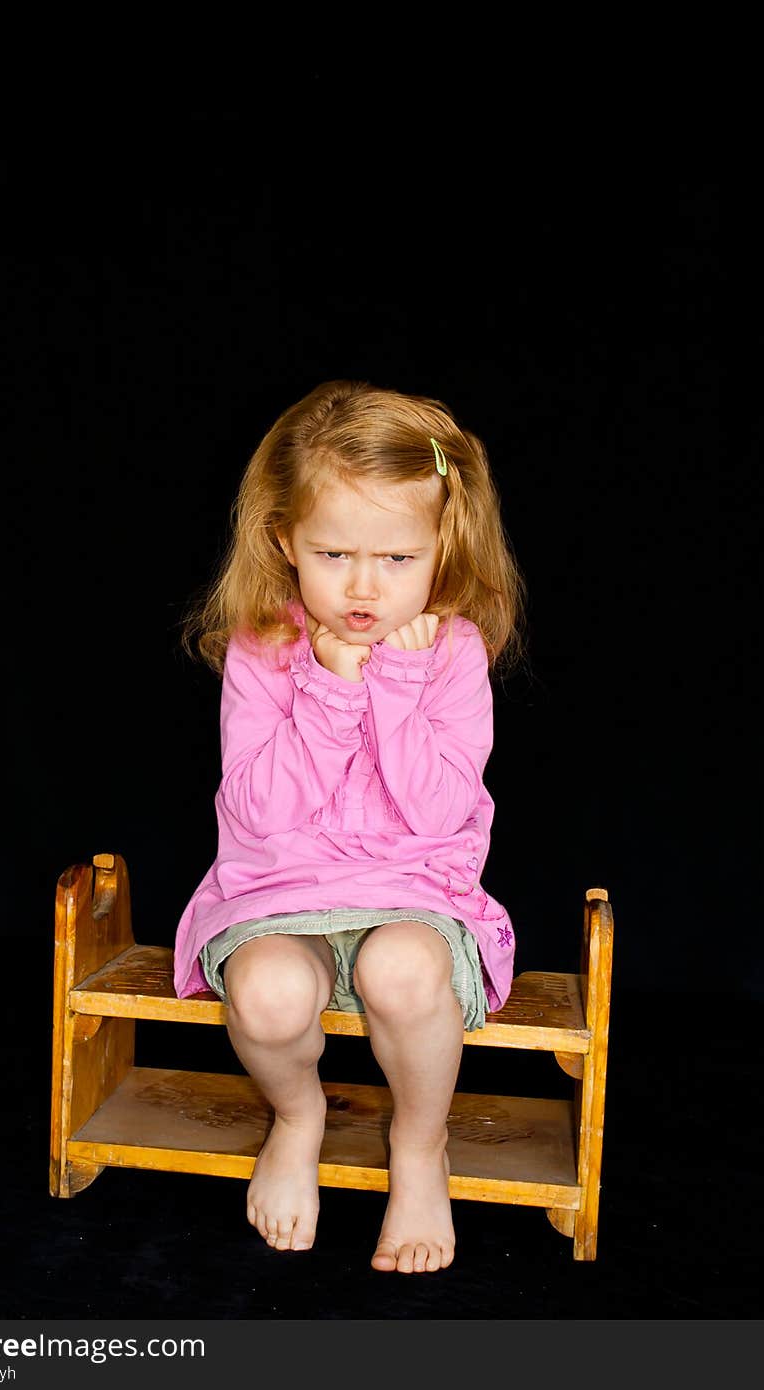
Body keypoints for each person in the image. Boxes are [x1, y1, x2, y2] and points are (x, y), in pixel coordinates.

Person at [174, 379, 526, 1274]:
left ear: (441, 546)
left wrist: (395, 692)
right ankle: (298, 1119)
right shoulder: (264, 647)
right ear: (285, 539)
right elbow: (260, 812)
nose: (365, 587)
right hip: (277, 892)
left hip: (412, 892)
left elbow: (442, 813)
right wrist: (331, 693)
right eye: (334, 553)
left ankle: (419, 1147)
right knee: (267, 995)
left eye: (398, 560)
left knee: (402, 968)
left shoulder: (449, 654)